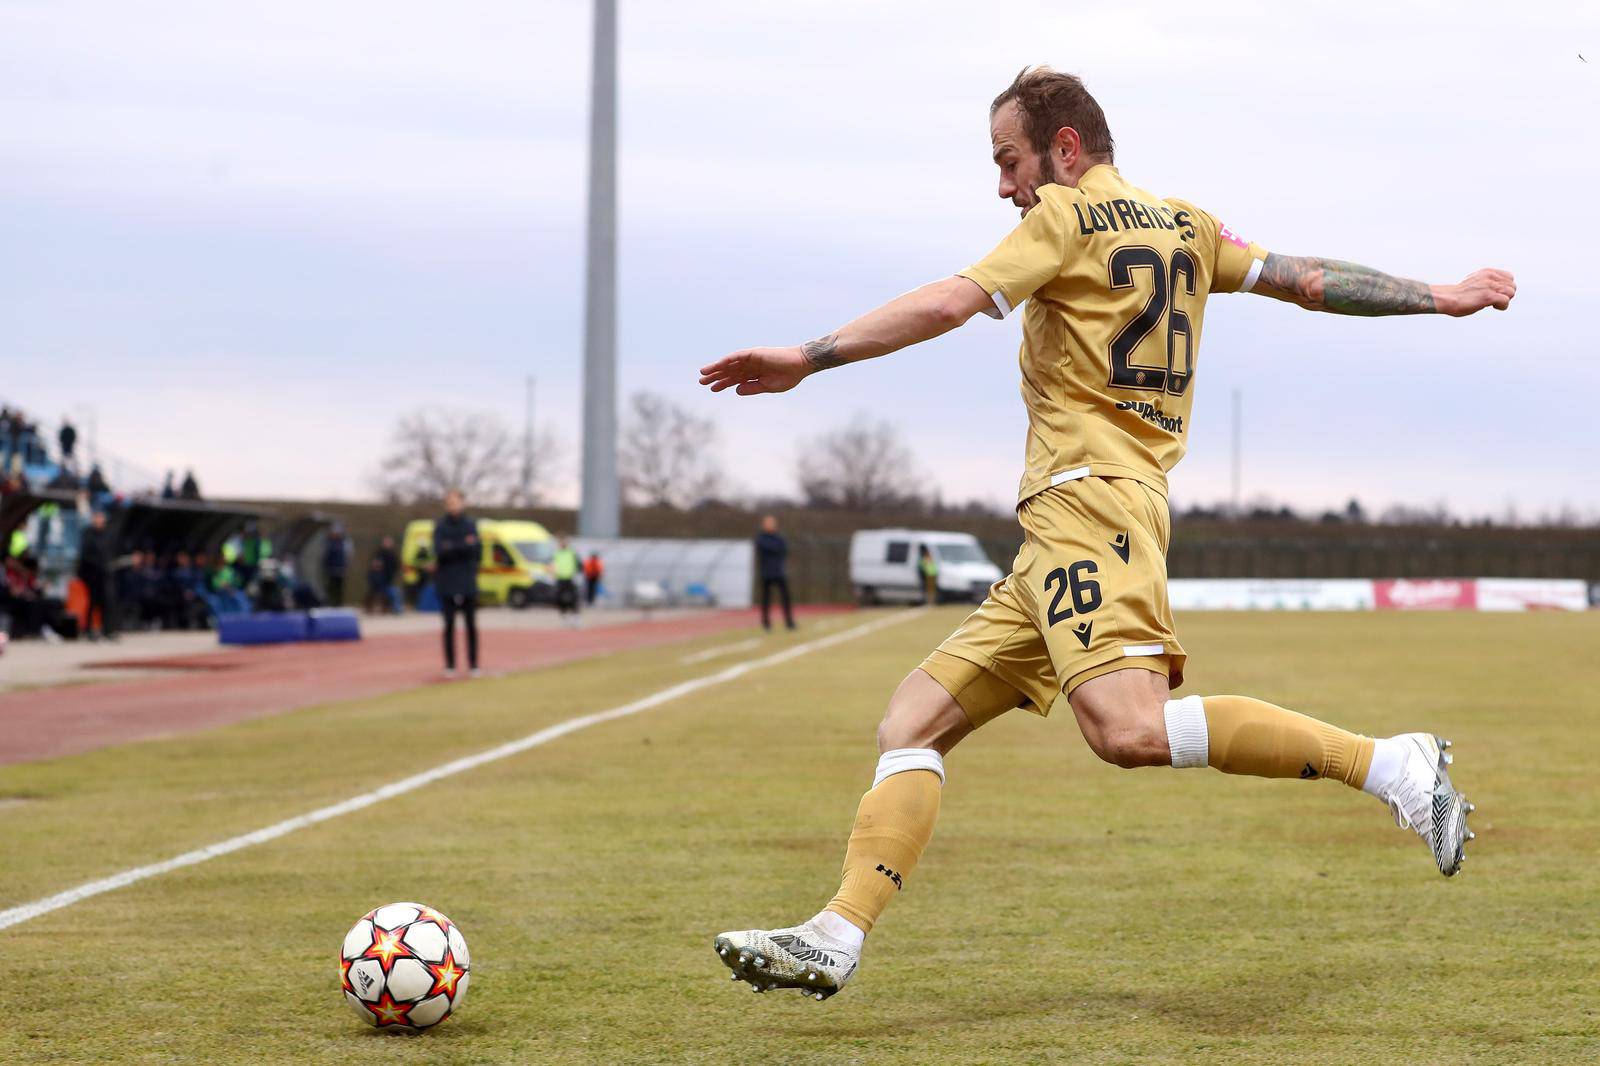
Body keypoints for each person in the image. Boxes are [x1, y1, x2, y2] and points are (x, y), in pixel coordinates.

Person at [698, 66, 1512, 999]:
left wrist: (808, 356)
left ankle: (1390, 765)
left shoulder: (1060, 223)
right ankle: (838, 932)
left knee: (1124, 732)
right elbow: (1311, 280)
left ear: (1067, 148)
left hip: (1093, 504)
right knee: (911, 718)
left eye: (1010, 161)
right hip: (1067, 526)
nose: (1006, 186)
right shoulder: (1190, 227)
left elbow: (948, 302)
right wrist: (1438, 296)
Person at [433, 489, 480, 678]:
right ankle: (450, 665)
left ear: (463, 503)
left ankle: (474, 664)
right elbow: (439, 551)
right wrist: (463, 545)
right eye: (449, 502)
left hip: (467, 581)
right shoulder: (441, 526)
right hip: (447, 582)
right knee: (449, 625)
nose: (452, 505)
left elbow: (476, 551)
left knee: (471, 625)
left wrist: (452, 546)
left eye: (456, 501)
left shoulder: (470, 525)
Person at [76, 510, 116, 641]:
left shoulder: (107, 534)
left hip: (104, 574)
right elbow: (86, 555)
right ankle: (88, 630)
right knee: (92, 602)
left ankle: (107, 630)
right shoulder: (88, 534)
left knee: (107, 603)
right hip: (92, 575)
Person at [755, 515, 795, 631]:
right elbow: (769, 548)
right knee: (766, 598)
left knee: (786, 597)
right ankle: (766, 623)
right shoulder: (761, 538)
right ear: (764, 525)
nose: (770, 525)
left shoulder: (779, 537)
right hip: (766, 572)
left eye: (772, 523)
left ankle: (789, 622)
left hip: (779, 572)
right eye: (768, 523)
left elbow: (783, 549)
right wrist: (775, 549)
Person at [550, 536, 581, 628]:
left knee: (574, 598)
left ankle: (576, 618)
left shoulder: (572, 553)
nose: (563, 544)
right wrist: (553, 575)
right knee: (559, 599)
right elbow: (552, 565)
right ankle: (564, 617)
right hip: (560, 578)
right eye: (561, 542)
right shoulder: (556, 553)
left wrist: (578, 575)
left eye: (564, 542)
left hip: (570, 578)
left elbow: (578, 565)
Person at [322, 524, 350, 606]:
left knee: (339, 588)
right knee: (330, 587)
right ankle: (330, 603)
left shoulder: (344, 542)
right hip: (330, 569)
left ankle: (338, 604)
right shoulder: (328, 542)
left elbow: (347, 555)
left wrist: (345, 566)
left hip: (340, 569)